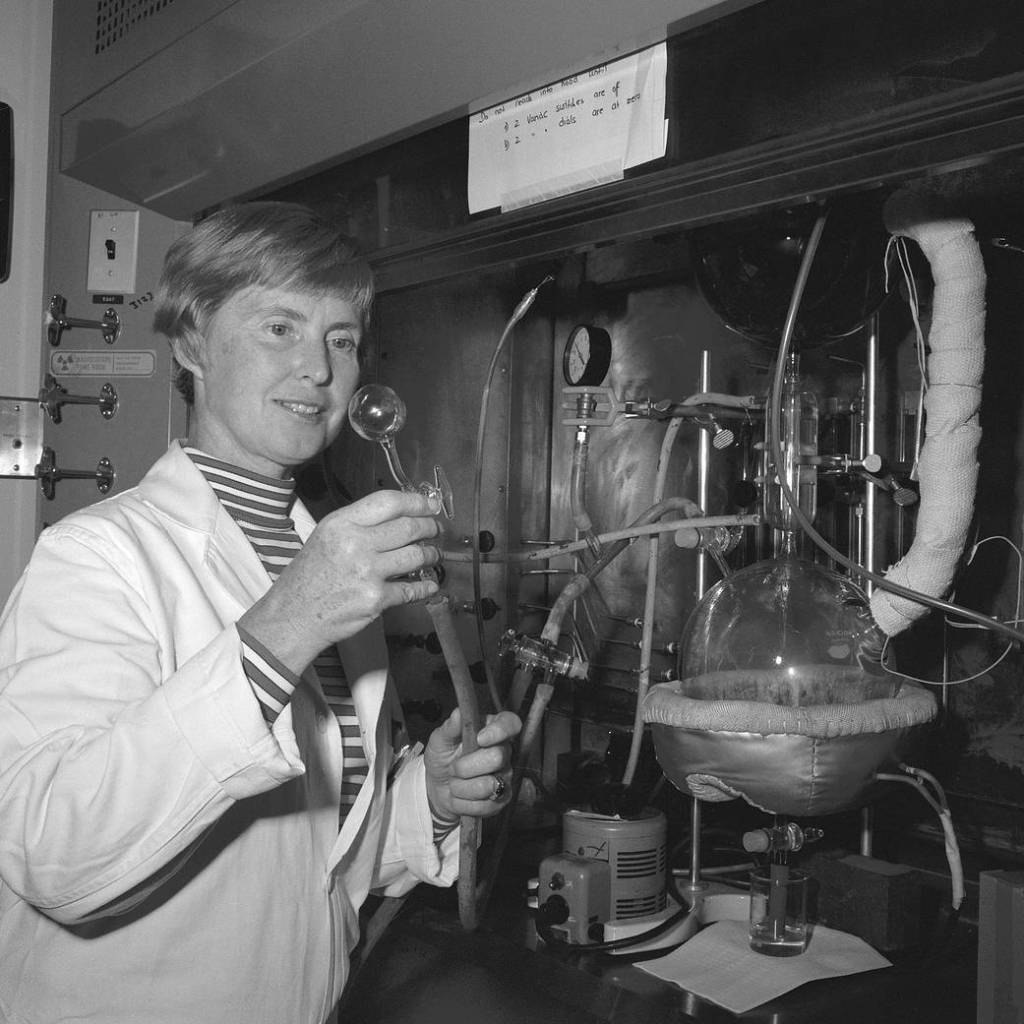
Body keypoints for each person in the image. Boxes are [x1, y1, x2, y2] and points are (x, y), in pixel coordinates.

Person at [0, 202, 521, 1024]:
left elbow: (308, 860)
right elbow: (54, 857)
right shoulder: (96, 556)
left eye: (341, 339)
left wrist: (431, 797)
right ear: (193, 341)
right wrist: (288, 622)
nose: (319, 368)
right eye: (280, 326)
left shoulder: (326, 560)